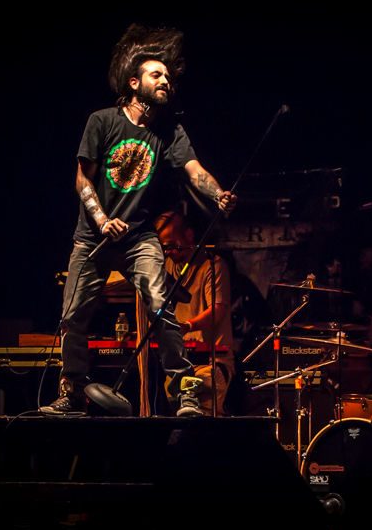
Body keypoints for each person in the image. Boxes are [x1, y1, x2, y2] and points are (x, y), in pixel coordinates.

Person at [44, 24, 237, 417]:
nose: (165, 81)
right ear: (134, 83)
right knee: (72, 316)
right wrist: (101, 220)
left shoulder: (169, 131)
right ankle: (73, 393)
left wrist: (218, 193)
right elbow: (82, 178)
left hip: (138, 238)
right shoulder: (102, 121)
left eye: (167, 76)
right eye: (156, 75)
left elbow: (194, 170)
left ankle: (184, 391)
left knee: (161, 304)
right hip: (93, 238)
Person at [155, 211, 235, 416]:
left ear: (189, 235)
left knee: (200, 412)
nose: (169, 252)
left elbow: (217, 310)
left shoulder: (213, 265)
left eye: (172, 245)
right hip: (179, 363)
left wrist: (187, 326)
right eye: (164, 248)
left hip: (211, 363)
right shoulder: (166, 267)